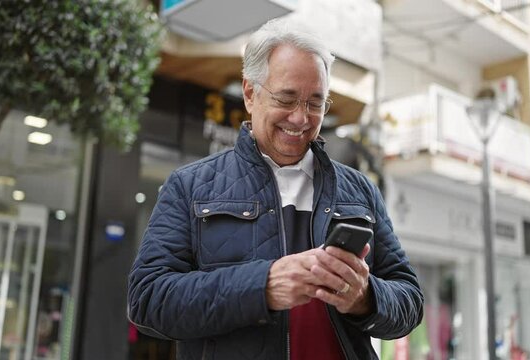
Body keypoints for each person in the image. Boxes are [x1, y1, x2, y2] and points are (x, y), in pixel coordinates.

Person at [128, 17, 423, 360]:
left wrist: (365, 297)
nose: (301, 118)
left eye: (315, 103)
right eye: (287, 99)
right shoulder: (189, 186)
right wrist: (262, 286)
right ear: (250, 94)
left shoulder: (360, 190)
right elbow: (147, 300)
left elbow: (410, 300)